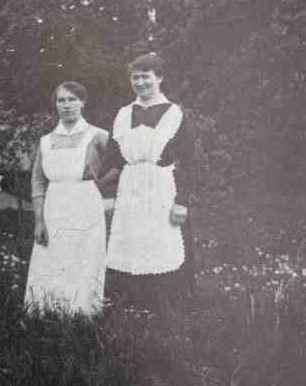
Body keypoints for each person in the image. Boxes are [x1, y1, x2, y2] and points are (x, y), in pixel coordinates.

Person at [103, 53, 199, 309]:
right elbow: (113, 160)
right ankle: (132, 306)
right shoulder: (123, 114)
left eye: (145, 77)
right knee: (131, 244)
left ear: (159, 78)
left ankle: (169, 308)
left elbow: (190, 161)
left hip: (162, 189)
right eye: (135, 77)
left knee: (164, 244)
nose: (140, 83)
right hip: (130, 189)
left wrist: (182, 202)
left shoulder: (174, 113)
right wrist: (107, 194)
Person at [24, 82, 109, 316]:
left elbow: (120, 166)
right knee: (51, 260)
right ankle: (49, 314)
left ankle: (83, 316)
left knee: (84, 260)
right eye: (61, 100)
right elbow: (38, 182)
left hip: (86, 204)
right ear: (56, 105)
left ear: (83, 102)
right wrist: (39, 221)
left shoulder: (98, 135)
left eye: (72, 99)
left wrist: (104, 191)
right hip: (54, 207)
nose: (67, 105)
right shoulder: (45, 141)